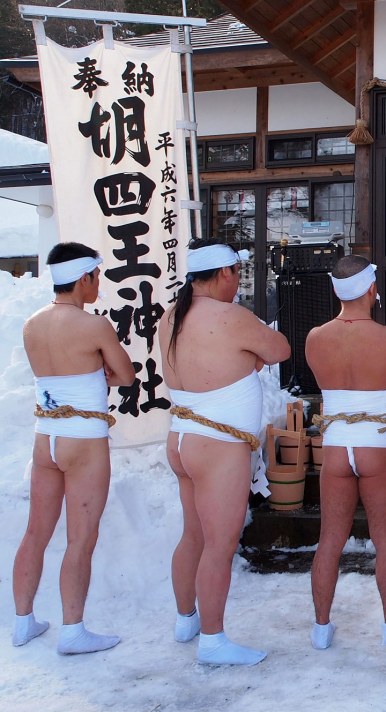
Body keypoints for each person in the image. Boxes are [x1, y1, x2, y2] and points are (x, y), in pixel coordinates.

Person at [158, 238, 291, 666]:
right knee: (219, 543)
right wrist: (250, 357)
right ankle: (212, 641)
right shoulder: (231, 316)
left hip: (181, 437)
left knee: (194, 534)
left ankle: (186, 620)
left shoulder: (170, 315)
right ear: (224, 274)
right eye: (237, 274)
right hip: (218, 443)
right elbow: (280, 350)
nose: (238, 282)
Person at [12, 241, 135, 655]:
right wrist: (99, 370)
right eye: (96, 276)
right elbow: (126, 375)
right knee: (81, 538)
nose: (98, 283)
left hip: (44, 436)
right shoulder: (94, 326)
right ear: (84, 278)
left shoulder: (32, 323)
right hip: (82, 437)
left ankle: (22, 621)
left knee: (35, 532)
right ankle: (72, 630)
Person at [305, 254, 386, 649]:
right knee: (384, 539)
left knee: (329, 540)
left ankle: (321, 629)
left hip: (337, 444)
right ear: (371, 289)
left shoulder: (316, 337)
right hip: (376, 442)